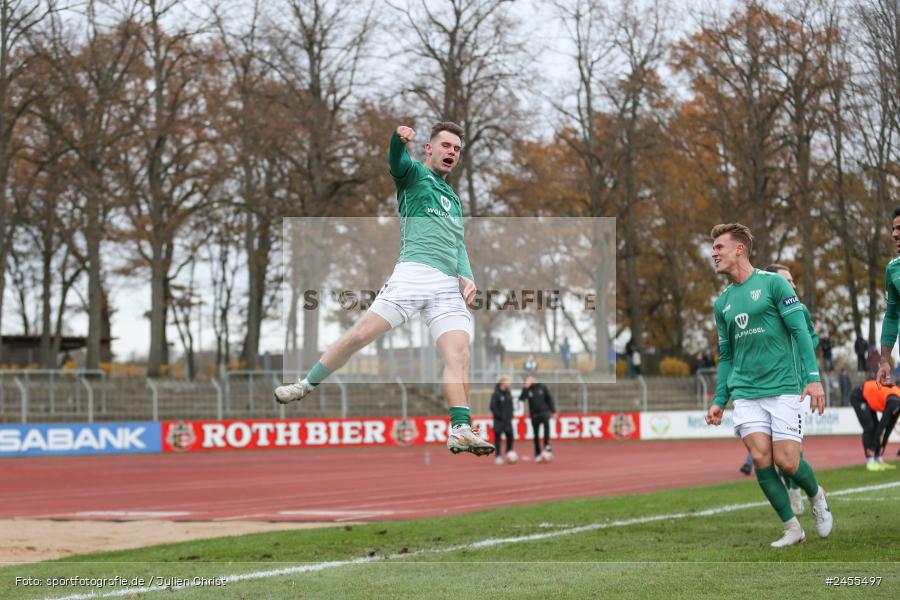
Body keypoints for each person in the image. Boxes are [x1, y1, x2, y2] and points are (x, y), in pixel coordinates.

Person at [274, 122, 494, 457]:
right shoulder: (414, 175)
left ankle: (460, 428)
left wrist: (468, 275)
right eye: (446, 146)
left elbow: (458, 242)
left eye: (457, 149)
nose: (452, 152)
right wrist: (396, 139)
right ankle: (306, 384)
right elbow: (396, 161)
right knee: (360, 335)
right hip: (414, 273)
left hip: (447, 285)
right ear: (429, 148)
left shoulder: (453, 198)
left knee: (458, 355)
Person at [705, 223, 832, 548]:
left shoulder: (774, 284)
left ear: (739, 249)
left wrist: (813, 378)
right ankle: (792, 527)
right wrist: (720, 399)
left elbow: (802, 333)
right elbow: (727, 356)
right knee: (761, 458)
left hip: (784, 388)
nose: (714, 253)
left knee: (787, 462)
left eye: (719, 247)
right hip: (746, 392)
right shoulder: (722, 304)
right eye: (713, 248)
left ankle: (817, 495)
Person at [849, 380, 900, 471]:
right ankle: (870, 460)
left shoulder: (897, 401)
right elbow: (883, 425)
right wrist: (872, 447)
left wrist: (883, 445)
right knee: (869, 427)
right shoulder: (894, 401)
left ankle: (878, 458)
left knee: (875, 427)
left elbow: (889, 426)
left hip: (868, 398)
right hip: (858, 396)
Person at [519, 374, 556, 463]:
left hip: (544, 413)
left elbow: (549, 399)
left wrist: (553, 411)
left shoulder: (542, 387)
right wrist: (526, 387)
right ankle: (537, 454)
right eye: (528, 379)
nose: (530, 380)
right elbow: (522, 399)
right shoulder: (528, 389)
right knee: (536, 435)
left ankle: (547, 447)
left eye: (531, 378)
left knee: (546, 431)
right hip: (534, 415)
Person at [490, 376, 515, 465]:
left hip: (508, 420)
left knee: (510, 437)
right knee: (498, 439)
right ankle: (498, 456)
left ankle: (509, 452)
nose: (509, 383)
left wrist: (511, 415)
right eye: (508, 381)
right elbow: (493, 407)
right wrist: (500, 416)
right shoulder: (496, 393)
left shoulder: (508, 393)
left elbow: (511, 406)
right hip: (499, 420)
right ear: (502, 382)